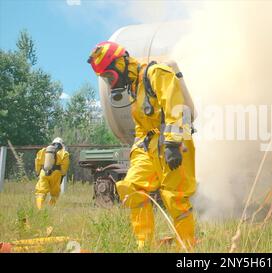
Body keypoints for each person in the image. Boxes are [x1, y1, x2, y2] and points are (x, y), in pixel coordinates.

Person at [87, 41, 196, 250]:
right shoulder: (135, 86)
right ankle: (143, 244)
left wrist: (173, 144)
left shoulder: (156, 73)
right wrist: (137, 152)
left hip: (173, 143)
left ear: (121, 64)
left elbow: (177, 109)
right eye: (105, 79)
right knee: (132, 188)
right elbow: (141, 127)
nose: (110, 82)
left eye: (109, 76)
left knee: (175, 198)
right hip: (148, 146)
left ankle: (186, 247)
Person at [35, 137, 70, 209]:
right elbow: (64, 166)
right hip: (56, 173)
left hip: (43, 172)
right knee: (54, 193)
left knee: (41, 191)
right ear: (62, 145)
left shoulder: (43, 151)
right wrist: (62, 175)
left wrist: (38, 172)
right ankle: (51, 207)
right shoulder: (64, 153)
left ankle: (39, 208)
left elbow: (37, 162)